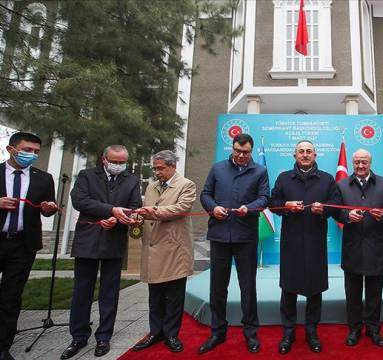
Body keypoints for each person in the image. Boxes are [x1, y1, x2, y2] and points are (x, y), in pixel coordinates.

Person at [62, 145, 142, 359]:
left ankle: (104, 336)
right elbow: (80, 201)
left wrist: (117, 218)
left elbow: (135, 206)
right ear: (104, 160)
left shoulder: (132, 180)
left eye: (122, 161)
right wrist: (110, 210)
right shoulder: (87, 175)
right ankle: (78, 336)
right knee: (82, 291)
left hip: (114, 240)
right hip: (88, 238)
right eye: (115, 161)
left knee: (109, 292)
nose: (119, 165)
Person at [198, 134, 269, 354]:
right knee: (218, 287)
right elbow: (205, 194)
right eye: (237, 151)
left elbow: (264, 198)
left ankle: (250, 333)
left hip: (246, 236)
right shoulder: (218, 168)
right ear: (233, 148)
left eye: (245, 152)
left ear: (252, 151)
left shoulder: (260, 171)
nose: (240, 155)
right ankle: (217, 332)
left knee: (248, 287)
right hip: (219, 235)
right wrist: (214, 207)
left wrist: (250, 207)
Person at [269, 140, 340, 354]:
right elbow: (273, 203)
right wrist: (286, 206)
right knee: (289, 290)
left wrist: (324, 209)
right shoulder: (283, 178)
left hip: (316, 242)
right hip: (291, 243)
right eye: (301, 151)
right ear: (295, 155)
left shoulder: (327, 179)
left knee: (315, 290)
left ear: (315, 155)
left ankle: (312, 332)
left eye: (309, 151)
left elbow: (335, 204)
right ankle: (288, 333)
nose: (305, 154)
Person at [131, 150, 196, 353]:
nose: (157, 172)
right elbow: (146, 208)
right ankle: (155, 332)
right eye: (155, 168)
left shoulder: (187, 185)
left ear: (172, 166)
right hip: (153, 248)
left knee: (174, 296)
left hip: (175, 249)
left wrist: (153, 212)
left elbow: (181, 208)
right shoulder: (151, 186)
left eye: (161, 168)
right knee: (155, 296)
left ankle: (171, 335)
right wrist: (138, 217)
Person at [0, 132, 58, 360]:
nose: (31, 155)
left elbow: (48, 208)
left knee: (11, 296)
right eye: (26, 150)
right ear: (11, 149)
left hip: (22, 245)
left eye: (35, 151)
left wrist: (48, 209)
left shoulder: (43, 178)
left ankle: (3, 346)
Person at [336, 149, 383, 347]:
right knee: (352, 292)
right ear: (352, 163)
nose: (360, 166)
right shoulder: (342, 184)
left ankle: (373, 328)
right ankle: (354, 329)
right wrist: (346, 216)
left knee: (374, 292)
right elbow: (335, 211)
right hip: (352, 246)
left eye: (364, 162)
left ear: (370, 162)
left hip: (375, 246)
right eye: (357, 163)